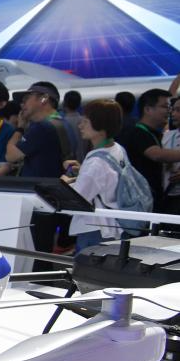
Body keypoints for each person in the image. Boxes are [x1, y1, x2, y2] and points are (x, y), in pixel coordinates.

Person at [6, 81, 76, 267]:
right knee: (43, 253)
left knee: (35, 255)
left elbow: (11, 155)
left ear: (44, 99)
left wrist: (19, 128)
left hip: (38, 200)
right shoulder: (63, 123)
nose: (22, 104)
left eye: (27, 98)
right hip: (52, 199)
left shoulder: (42, 127)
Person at [60, 99, 128, 251]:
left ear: (101, 127)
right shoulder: (118, 149)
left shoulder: (96, 162)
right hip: (114, 226)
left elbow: (76, 199)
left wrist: (64, 183)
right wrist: (83, 171)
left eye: (86, 121)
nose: (80, 125)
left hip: (95, 229)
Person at [118, 88, 180, 212]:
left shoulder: (155, 134)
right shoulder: (138, 133)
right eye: (165, 107)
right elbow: (157, 155)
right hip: (142, 205)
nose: (169, 111)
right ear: (147, 109)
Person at [162, 98, 180, 215]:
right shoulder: (166, 136)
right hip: (169, 197)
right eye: (173, 110)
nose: (173, 114)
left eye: (178, 110)